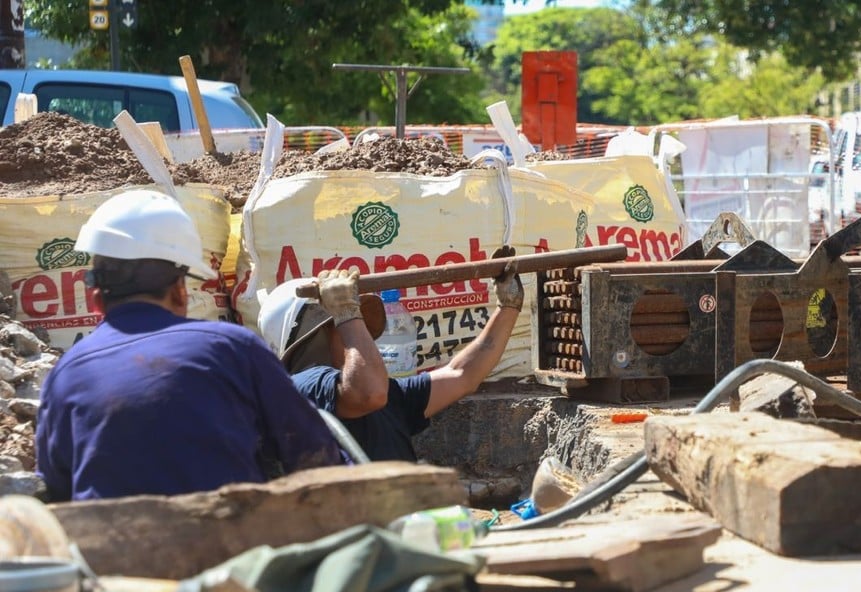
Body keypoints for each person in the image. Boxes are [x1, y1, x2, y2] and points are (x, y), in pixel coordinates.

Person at [36, 189, 343, 502]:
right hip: (231, 546)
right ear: (180, 292)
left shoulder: (64, 375)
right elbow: (315, 457)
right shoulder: (234, 348)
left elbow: (58, 490)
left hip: (112, 547)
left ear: (96, 298)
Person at [258, 251, 524, 463]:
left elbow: (462, 375)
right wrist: (347, 314)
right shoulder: (302, 389)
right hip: (362, 530)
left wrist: (507, 306)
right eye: (338, 323)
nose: (354, 331)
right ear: (314, 333)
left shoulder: (386, 396)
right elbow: (369, 394)